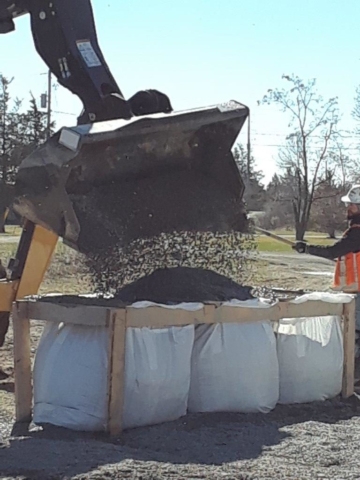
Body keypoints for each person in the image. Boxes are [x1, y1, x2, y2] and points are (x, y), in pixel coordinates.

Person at [293, 184, 360, 330]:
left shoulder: (357, 232)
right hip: (355, 290)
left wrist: (307, 248)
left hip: (358, 292)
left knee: (353, 333)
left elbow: (333, 251)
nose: (348, 207)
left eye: (352, 205)